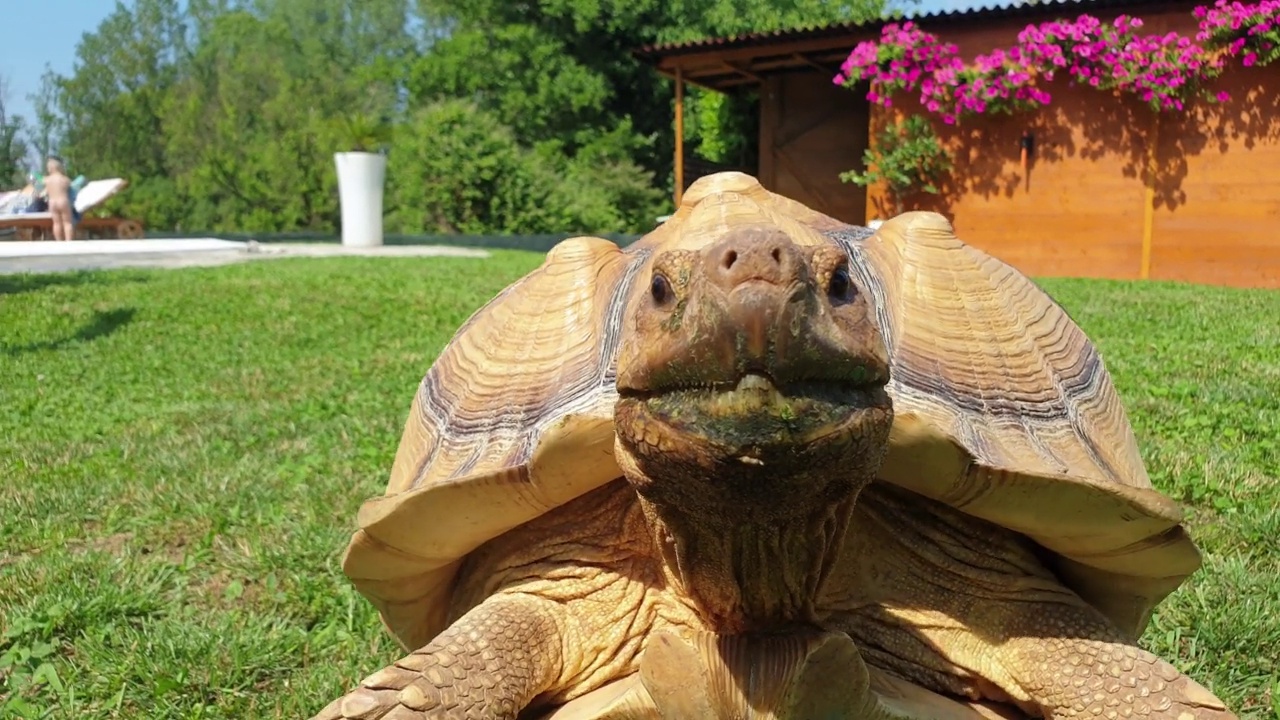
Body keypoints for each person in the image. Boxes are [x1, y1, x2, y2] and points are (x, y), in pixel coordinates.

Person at [43, 157, 75, 241]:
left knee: (56, 223)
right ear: (60, 168)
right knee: (67, 223)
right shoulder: (65, 179)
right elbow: (72, 189)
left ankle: (59, 242)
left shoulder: (46, 180)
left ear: (51, 168)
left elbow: (43, 192)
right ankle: (68, 242)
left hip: (52, 203)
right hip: (63, 201)